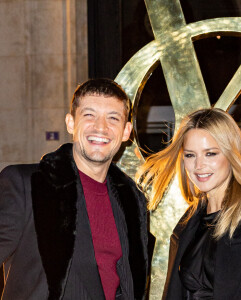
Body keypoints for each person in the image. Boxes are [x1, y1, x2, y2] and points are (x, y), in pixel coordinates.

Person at [0, 78, 149, 300]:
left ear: (126, 131)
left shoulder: (133, 201)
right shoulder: (26, 185)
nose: (101, 127)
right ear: (71, 123)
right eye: (89, 115)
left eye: (113, 118)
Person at [136, 108, 241, 299]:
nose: (199, 165)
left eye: (211, 154)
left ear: (232, 154)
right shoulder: (187, 224)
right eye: (190, 155)